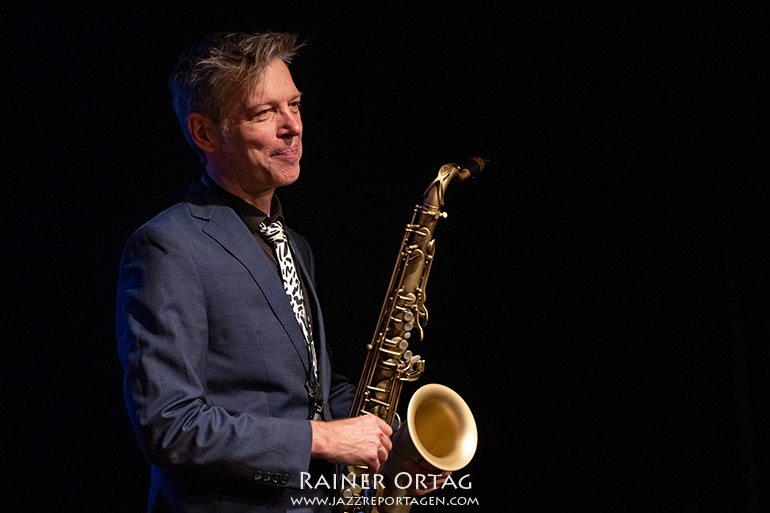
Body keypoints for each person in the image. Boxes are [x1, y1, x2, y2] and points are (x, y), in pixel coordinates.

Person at [116, 31, 445, 512]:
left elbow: (311, 389)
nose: (292, 126)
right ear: (204, 133)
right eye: (263, 113)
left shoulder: (294, 245)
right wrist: (322, 439)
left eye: (294, 105)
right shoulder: (167, 246)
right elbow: (170, 426)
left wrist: (393, 448)